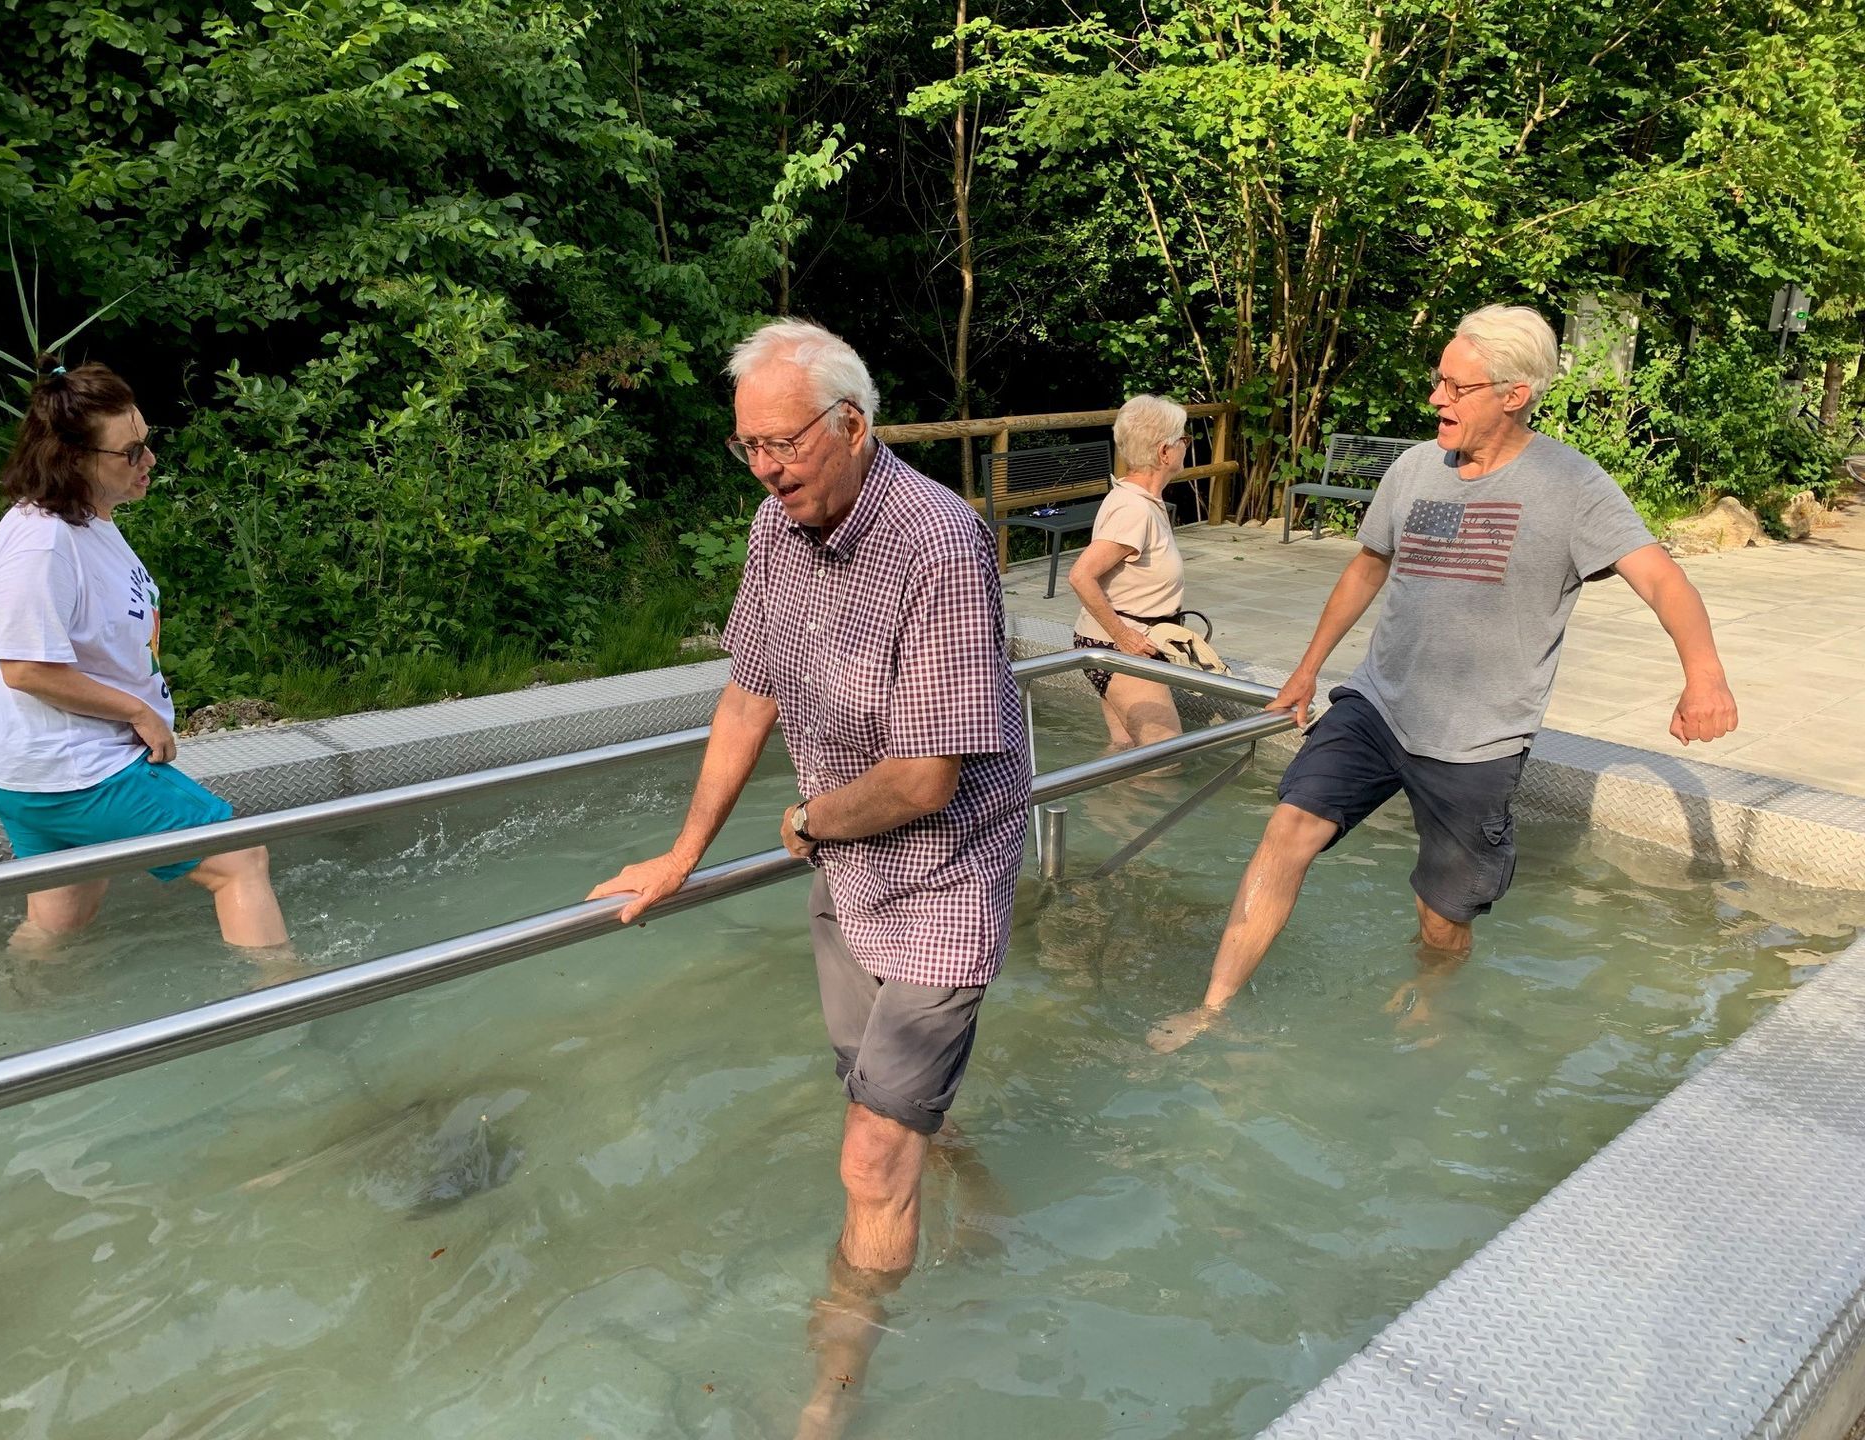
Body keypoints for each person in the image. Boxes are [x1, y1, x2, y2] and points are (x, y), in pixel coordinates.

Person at [587, 319, 1029, 1437]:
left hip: (940, 871)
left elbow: (929, 778)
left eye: (783, 444)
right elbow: (751, 690)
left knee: (872, 1153)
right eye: (748, 447)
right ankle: (971, 1179)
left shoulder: (938, 541)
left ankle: (832, 1397)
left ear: (853, 426)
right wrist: (686, 850)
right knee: (872, 1094)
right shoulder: (776, 525)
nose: (767, 468)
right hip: (843, 855)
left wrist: (804, 819)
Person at [1150, 305, 1739, 1052]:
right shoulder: (1416, 468)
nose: (1436, 399)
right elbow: (1369, 566)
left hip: (1476, 740)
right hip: (1379, 702)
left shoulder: (1572, 485)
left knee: (1442, 917)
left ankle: (1432, 1003)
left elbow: (1661, 579)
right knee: (1288, 826)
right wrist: (1306, 672)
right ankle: (1213, 1008)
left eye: (1456, 387)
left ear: (1514, 393)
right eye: (1437, 381)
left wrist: (1705, 677)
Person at [0, 357, 288, 951]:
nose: (150, 460)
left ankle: (19, 1017)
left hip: (40, 767)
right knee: (239, 859)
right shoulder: (43, 543)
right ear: (75, 460)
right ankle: (291, 1017)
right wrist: (137, 712)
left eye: (146, 442)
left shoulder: (85, 518)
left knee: (58, 922)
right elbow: (26, 668)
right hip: (75, 770)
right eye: (130, 452)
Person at [1068, 393, 1195, 749]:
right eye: (1183, 438)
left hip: (1113, 643)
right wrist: (1124, 637)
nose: (1186, 446)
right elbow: (1081, 575)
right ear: (1164, 452)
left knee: (1124, 750)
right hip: (1119, 646)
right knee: (1163, 758)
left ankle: (1100, 807)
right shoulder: (1134, 510)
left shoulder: (1139, 501)